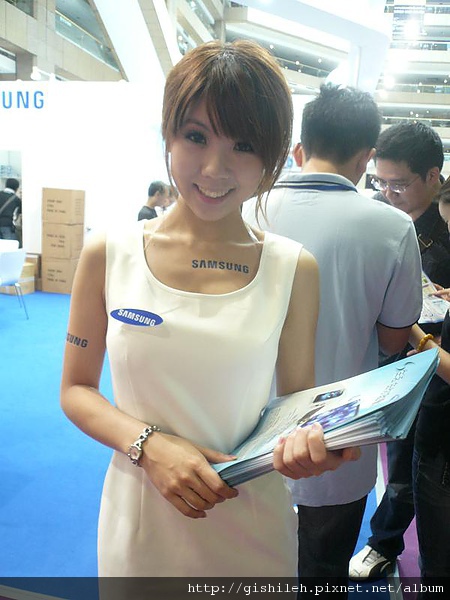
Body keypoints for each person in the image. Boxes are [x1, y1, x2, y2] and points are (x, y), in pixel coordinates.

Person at [60, 40, 359, 582]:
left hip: (250, 516)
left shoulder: (293, 268)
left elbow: (294, 406)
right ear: (168, 136)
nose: (215, 169)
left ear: (271, 158)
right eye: (196, 137)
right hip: (141, 514)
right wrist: (150, 447)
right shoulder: (109, 252)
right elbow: (76, 389)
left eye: (243, 145)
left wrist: (312, 443)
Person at [243, 84, 422, 596]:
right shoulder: (392, 227)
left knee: (246, 567)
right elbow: (394, 339)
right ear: (367, 158)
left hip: (242, 434)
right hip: (336, 438)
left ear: (299, 149)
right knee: (323, 571)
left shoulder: (246, 212)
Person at [350, 122, 450, 579]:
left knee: (418, 469)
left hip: (434, 370)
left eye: (400, 184)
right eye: (381, 182)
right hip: (391, 359)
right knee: (393, 458)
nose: (389, 193)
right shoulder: (377, 219)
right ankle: (385, 541)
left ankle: (388, 544)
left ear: (432, 176)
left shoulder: (444, 229)